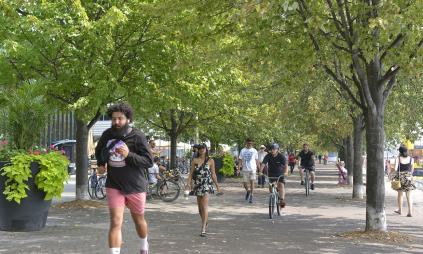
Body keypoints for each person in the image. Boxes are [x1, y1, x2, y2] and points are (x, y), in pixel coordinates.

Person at [95, 103, 153, 254]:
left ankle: (144, 245)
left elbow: (148, 161)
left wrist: (129, 155)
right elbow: (99, 150)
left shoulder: (137, 136)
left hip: (135, 185)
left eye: (120, 118)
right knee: (115, 222)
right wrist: (101, 164)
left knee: (138, 220)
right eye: (114, 119)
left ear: (128, 119)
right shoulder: (107, 134)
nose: (116, 122)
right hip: (114, 184)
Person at [187, 143, 221, 237]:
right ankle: (204, 221)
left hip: (206, 185)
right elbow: (191, 173)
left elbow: (213, 174)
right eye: (200, 148)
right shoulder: (195, 160)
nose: (201, 150)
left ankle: (203, 228)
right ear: (198, 150)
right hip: (198, 185)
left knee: (205, 206)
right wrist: (188, 184)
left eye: (203, 148)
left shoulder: (210, 160)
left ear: (206, 149)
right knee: (199, 208)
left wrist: (217, 186)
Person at [260, 143, 288, 208]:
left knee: (281, 185)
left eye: (274, 149)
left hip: (280, 174)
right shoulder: (268, 156)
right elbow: (263, 164)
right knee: (270, 187)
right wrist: (260, 171)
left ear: (277, 150)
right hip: (271, 173)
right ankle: (273, 195)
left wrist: (286, 172)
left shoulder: (281, 156)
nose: (272, 150)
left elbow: (286, 165)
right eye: (271, 149)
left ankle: (282, 200)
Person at [391, 145, 416, 217]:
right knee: (409, 195)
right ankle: (410, 212)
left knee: (400, 195)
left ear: (400, 152)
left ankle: (400, 210)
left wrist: (392, 175)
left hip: (400, 177)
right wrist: (409, 176)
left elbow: (395, 169)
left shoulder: (398, 159)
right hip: (408, 177)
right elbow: (412, 170)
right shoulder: (411, 159)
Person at [237, 138, 259, 203]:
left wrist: (259, 169)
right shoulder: (242, 150)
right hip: (245, 169)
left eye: (251, 143)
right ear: (246, 143)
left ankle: (251, 195)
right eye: (248, 143)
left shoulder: (254, 150)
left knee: (252, 182)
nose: (249, 144)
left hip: (253, 169)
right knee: (245, 183)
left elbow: (256, 160)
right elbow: (240, 160)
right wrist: (238, 169)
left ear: (252, 143)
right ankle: (248, 191)